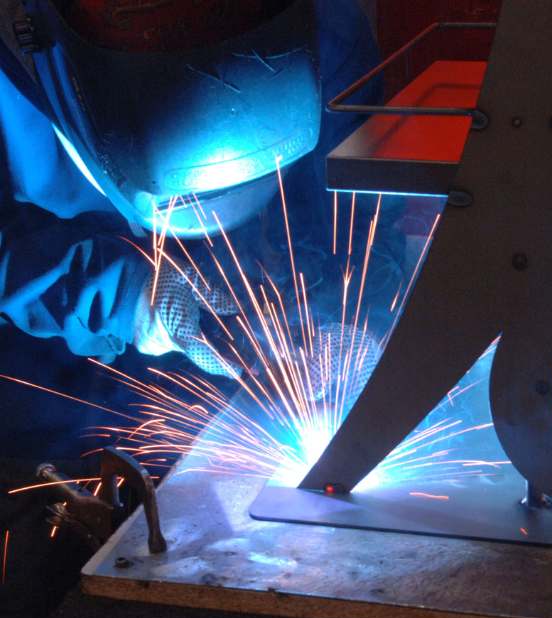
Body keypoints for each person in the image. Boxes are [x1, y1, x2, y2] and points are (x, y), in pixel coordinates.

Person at [0, 0, 380, 374]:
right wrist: (129, 297)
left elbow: (365, 216)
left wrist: (353, 313)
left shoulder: (326, 33)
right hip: (68, 331)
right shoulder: (12, 83)